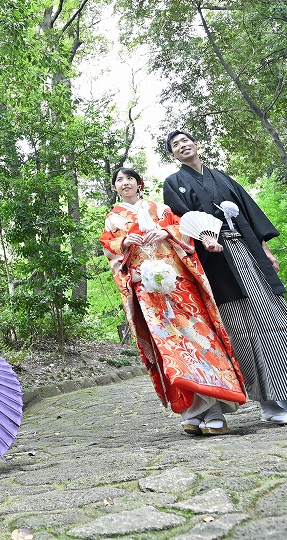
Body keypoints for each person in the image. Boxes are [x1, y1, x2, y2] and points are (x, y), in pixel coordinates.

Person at [162, 130, 287, 426]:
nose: (182, 146)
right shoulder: (173, 183)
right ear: (173, 155)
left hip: (248, 251)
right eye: (176, 145)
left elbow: (248, 213)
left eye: (185, 141)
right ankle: (269, 404)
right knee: (244, 328)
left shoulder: (223, 178)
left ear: (196, 144)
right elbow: (180, 223)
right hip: (217, 262)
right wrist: (203, 239)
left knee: (279, 321)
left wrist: (266, 250)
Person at [99, 167, 247, 436]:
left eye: (130, 178)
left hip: (179, 285)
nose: (125, 183)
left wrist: (167, 233)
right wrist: (124, 242)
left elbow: (184, 231)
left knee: (199, 340)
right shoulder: (112, 219)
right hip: (147, 291)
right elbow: (109, 248)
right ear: (114, 188)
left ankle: (215, 410)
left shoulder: (161, 209)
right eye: (119, 180)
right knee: (170, 350)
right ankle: (192, 412)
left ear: (140, 183)